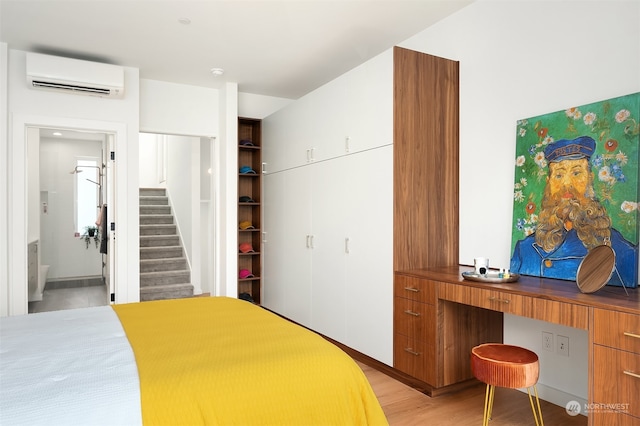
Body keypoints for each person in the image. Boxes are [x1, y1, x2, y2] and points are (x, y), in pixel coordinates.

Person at [510, 135, 638, 288]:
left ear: (590, 178)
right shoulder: (525, 249)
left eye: (576, 173)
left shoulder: (620, 250)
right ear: (548, 184)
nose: (566, 183)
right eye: (559, 175)